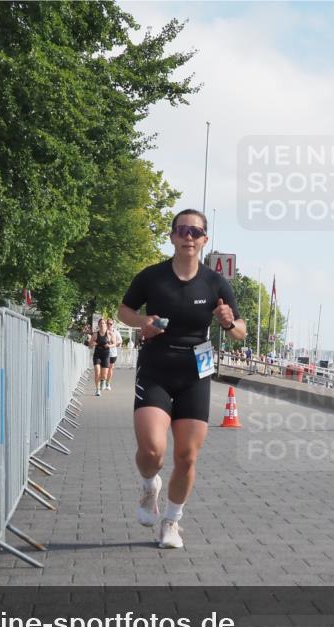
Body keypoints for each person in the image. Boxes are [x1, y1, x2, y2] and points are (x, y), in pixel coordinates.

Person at [117, 209, 245, 549]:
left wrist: (229, 321)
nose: (189, 236)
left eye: (196, 232)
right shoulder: (152, 277)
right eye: (182, 230)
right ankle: (149, 487)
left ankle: (171, 522)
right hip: (157, 366)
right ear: (173, 236)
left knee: (187, 456)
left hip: (196, 371)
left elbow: (240, 333)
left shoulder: (215, 282)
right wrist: (142, 321)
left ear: (205, 240)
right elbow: (123, 311)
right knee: (152, 450)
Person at [89, 318, 112, 396]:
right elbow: (90, 346)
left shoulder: (109, 334)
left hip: (106, 354)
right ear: (98, 325)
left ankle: (103, 381)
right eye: (101, 323)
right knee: (97, 372)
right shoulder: (95, 334)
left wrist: (109, 345)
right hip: (97, 355)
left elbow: (115, 343)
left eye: (103, 323)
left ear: (106, 324)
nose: (102, 324)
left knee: (104, 375)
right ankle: (97, 390)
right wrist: (93, 344)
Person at [105, 322, 122, 390]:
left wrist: (114, 343)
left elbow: (120, 340)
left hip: (113, 353)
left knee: (110, 368)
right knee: (105, 368)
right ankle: (103, 381)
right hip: (104, 352)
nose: (109, 325)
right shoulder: (103, 331)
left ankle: (108, 383)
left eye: (111, 324)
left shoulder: (116, 332)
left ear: (113, 324)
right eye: (108, 323)